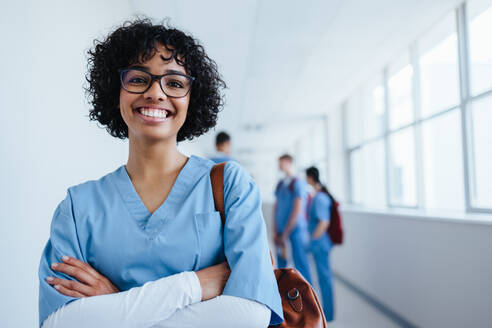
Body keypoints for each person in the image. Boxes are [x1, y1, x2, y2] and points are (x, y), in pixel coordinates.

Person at [37, 18, 283, 328]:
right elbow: (61, 323)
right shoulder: (77, 207)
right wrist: (195, 284)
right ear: (117, 90)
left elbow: (247, 315)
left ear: (192, 99)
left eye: (175, 83)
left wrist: (113, 304)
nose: (156, 93)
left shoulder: (229, 185)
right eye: (139, 79)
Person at [273, 154, 312, 284]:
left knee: (301, 265)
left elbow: (297, 210)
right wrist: (275, 231)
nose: (279, 165)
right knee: (281, 268)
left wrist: (286, 233)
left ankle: (308, 298)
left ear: (289, 162)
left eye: (281, 162)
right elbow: (276, 207)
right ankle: (284, 299)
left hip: (295, 231)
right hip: (280, 231)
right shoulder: (280, 184)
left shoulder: (298, 183)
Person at [305, 166, 335, 322]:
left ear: (310, 177)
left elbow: (323, 223)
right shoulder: (317, 195)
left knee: (325, 278)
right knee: (323, 277)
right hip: (319, 243)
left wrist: (313, 239)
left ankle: (328, 314)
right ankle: (327, 312)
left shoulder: (320, 198)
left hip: (320, 244)